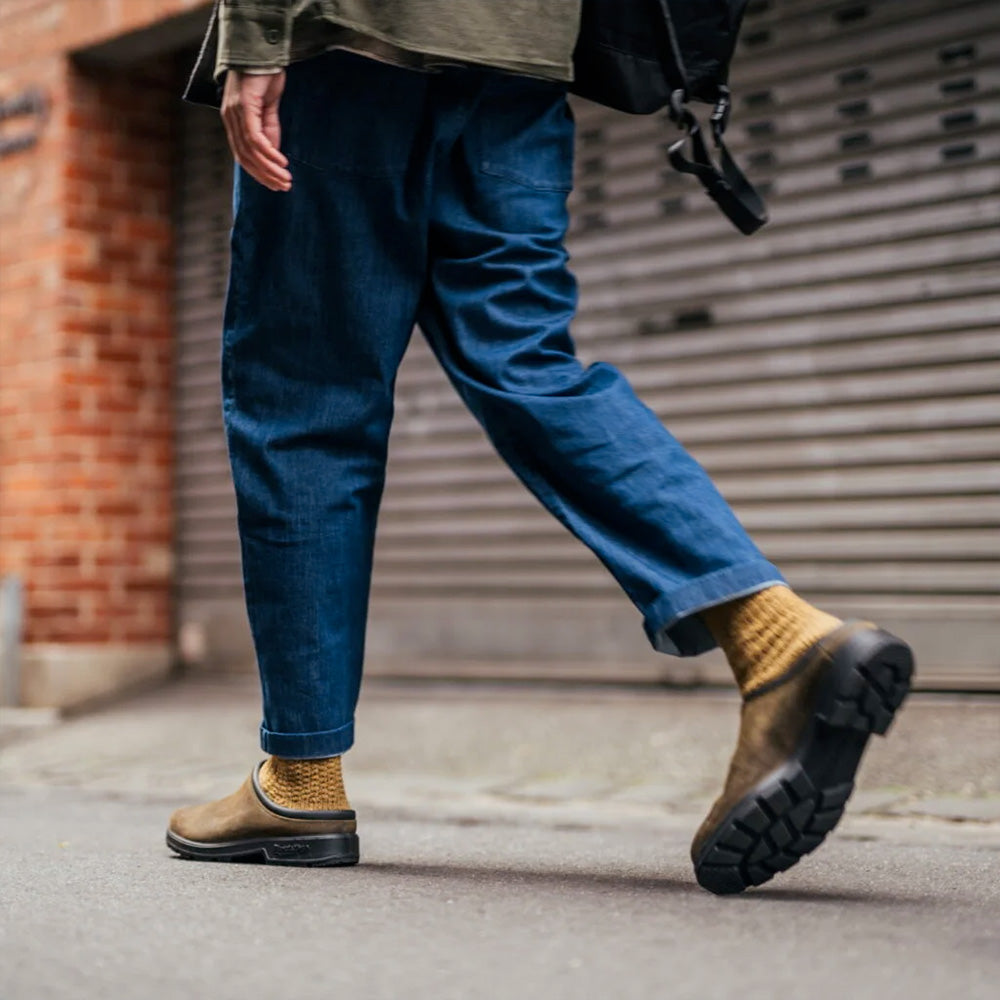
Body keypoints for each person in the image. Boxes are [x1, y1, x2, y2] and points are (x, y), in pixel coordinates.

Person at [167, 0, 913, 895]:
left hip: (351, 49)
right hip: (521, 58)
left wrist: (257, 36)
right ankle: (779, 635)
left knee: (305, 407)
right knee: (528, 364)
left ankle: (301, 783)